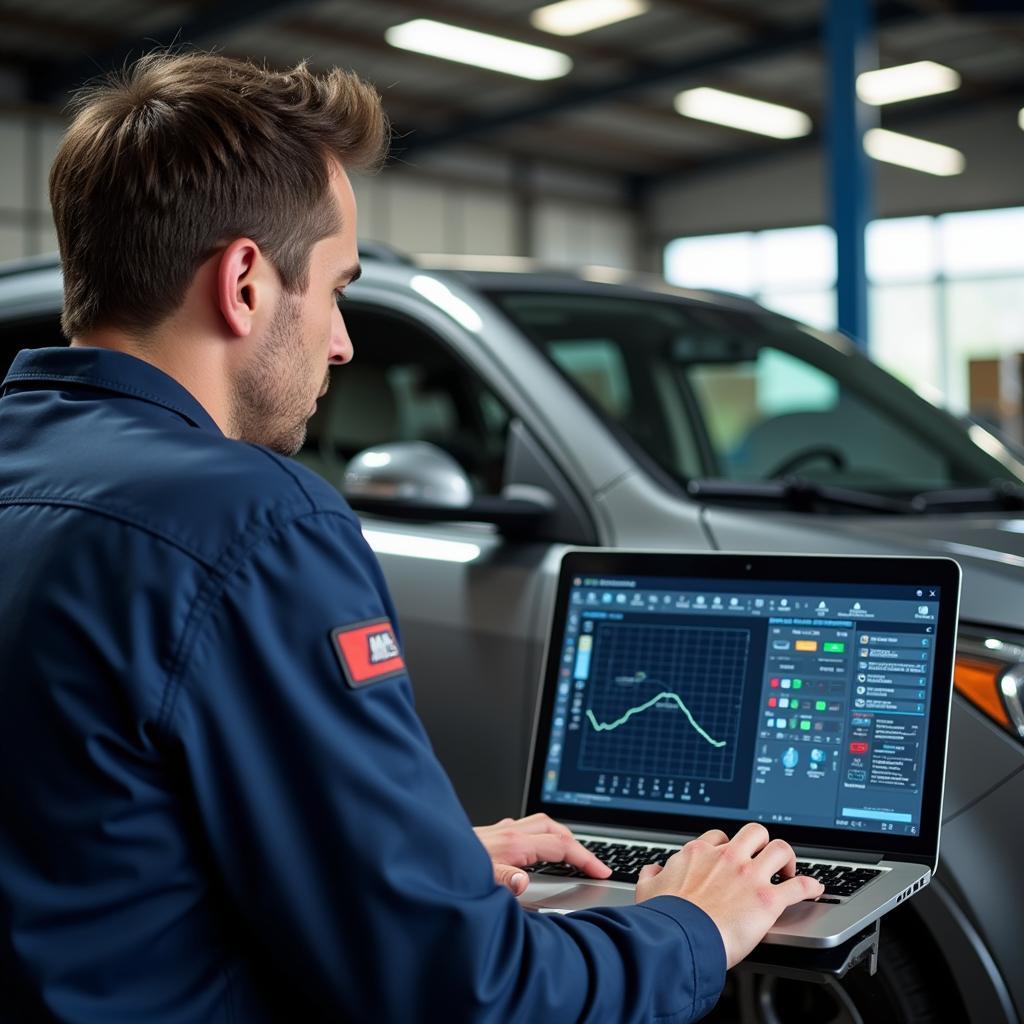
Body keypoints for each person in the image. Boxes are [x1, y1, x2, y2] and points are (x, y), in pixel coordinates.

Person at [0, 52, 823, 1022]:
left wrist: (409, 865)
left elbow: (92, 850)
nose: (343, 341)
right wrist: (689, 923)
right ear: (246, 283)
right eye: (338, 287)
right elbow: (467, 993)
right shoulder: (253, 523)